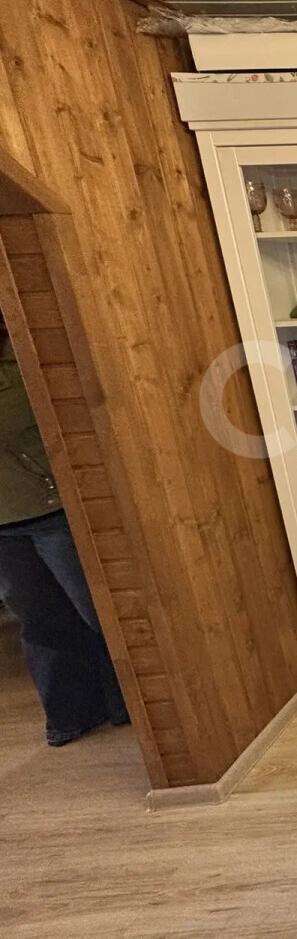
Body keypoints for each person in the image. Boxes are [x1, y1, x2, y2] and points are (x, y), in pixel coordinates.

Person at [0, 317, 127, 744]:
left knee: (98, 611)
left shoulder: (22, 353)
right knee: (39, 621)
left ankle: (129, 704)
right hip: (5, 523)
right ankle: (71, 714)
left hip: (55, 509)